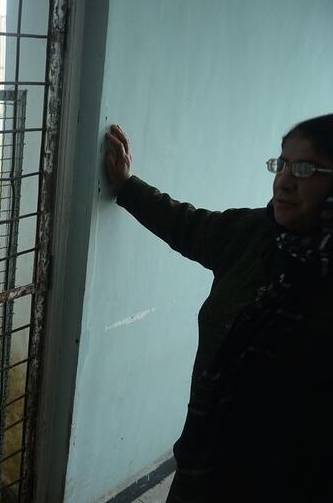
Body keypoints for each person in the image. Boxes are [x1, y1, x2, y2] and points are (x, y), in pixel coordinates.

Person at [105, 116, 333, 502]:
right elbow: (187, 224)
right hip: (203, 465)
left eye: (306, 168)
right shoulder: (255, 235)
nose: (284, 181)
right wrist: (127, 185)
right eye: (281, 164)